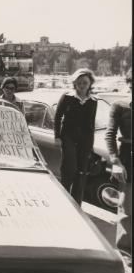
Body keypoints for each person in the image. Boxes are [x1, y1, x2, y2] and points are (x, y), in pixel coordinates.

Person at [54, 68, 97, 206]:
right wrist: (57, 136)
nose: (82, 85)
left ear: (90, 83)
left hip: (85, 139)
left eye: (85, 82)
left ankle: (77, 204)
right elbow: (58, 116)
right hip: (68, 136)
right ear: (75, 83)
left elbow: (91, 125)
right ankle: (64, 202)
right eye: (79, 82)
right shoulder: (67, 97)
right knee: (69, 169)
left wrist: (90, 145)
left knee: (82, 172)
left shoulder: (93, 101)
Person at [105, 68, 132, 267]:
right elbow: (110, 135)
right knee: (128, 208)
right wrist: (115, 161)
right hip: (128, 156)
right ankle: (126, 253)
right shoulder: (119, 106)